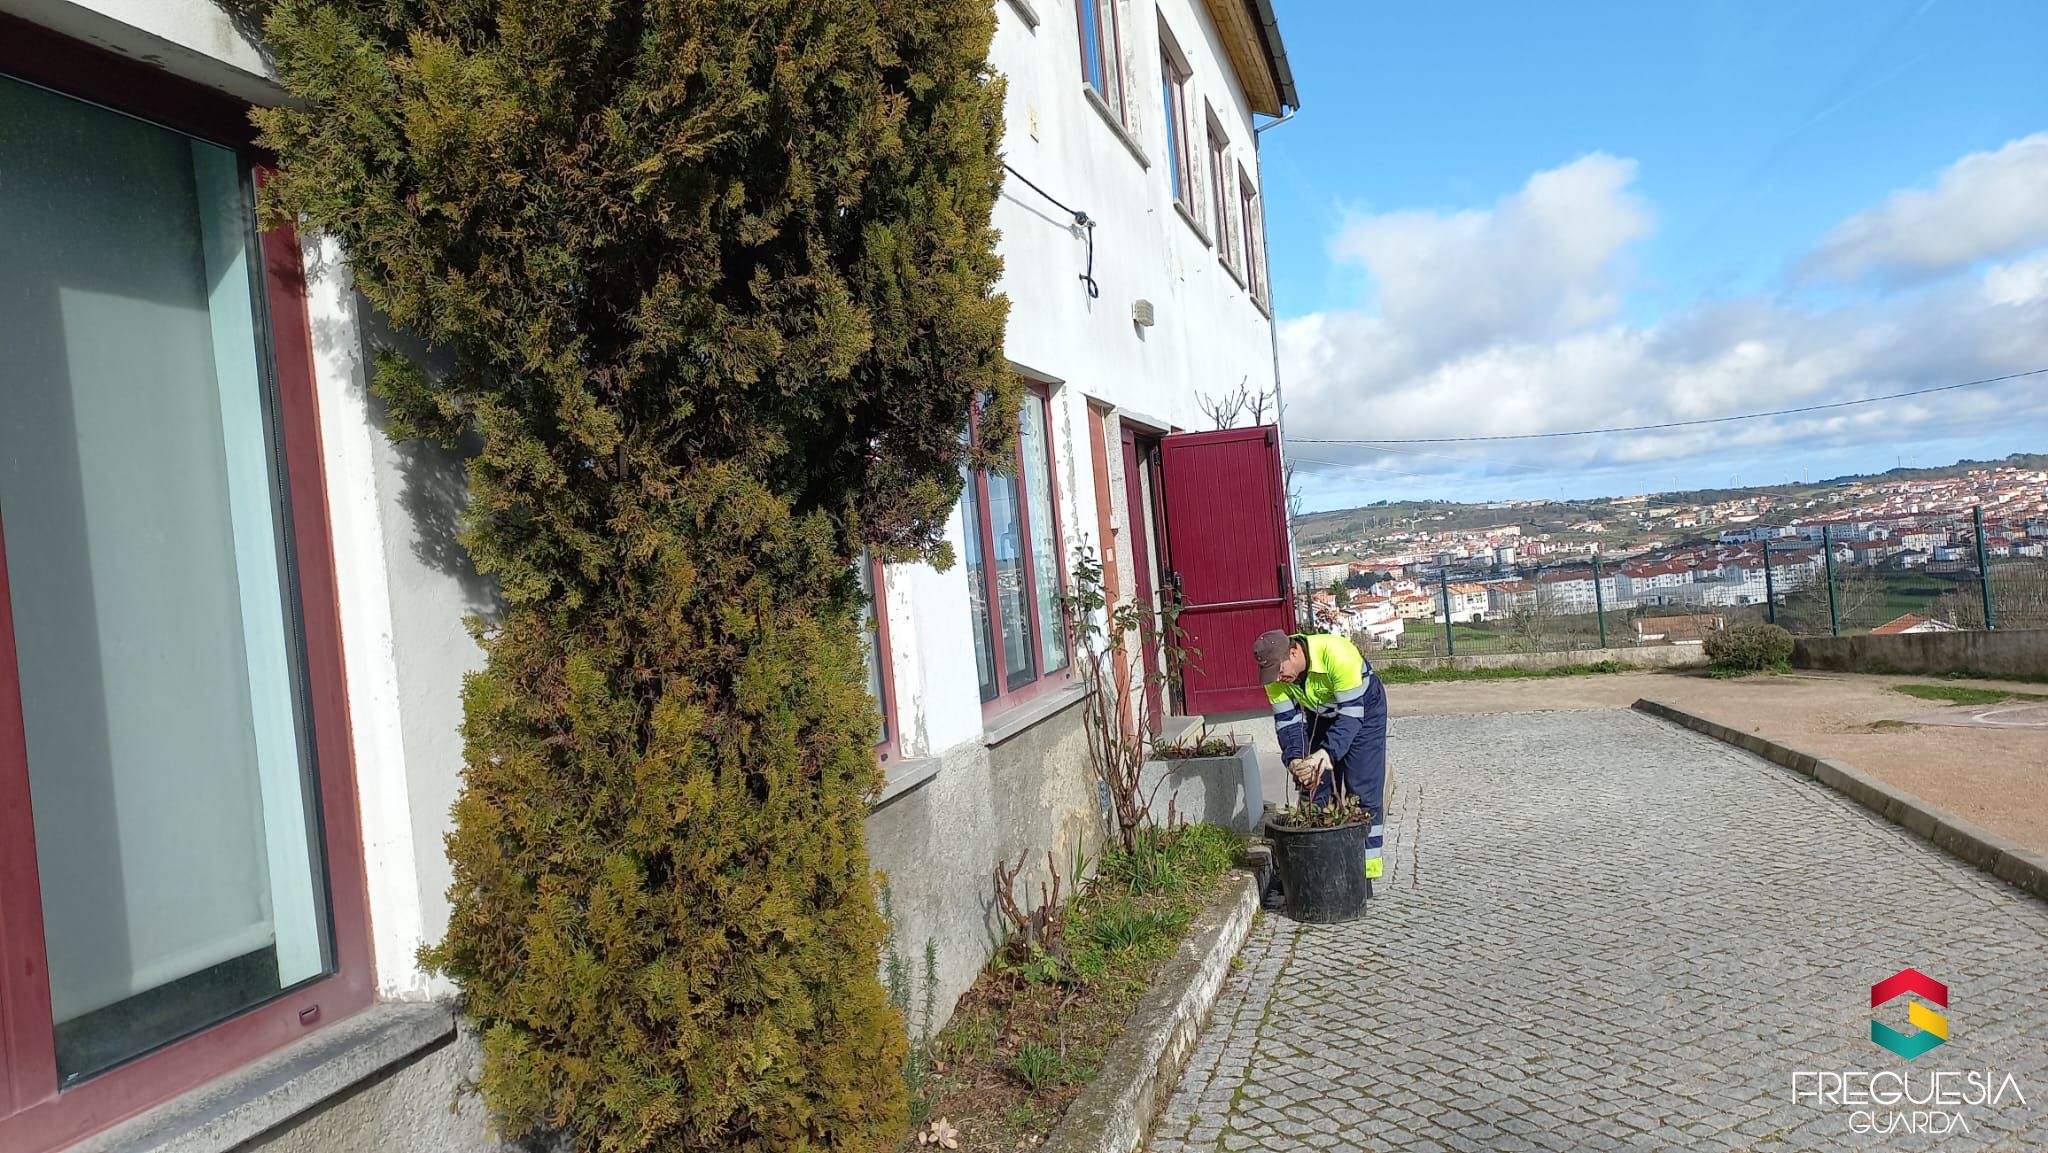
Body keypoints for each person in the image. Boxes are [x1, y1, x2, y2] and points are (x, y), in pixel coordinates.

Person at [1252, 628, 1388, 908]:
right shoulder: (1275, 677)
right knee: (1313, 787)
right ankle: (1311, 864)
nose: (1278, 678)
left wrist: (1326, 754)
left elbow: (1351, 718)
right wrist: (1295, 759)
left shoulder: (1338, 654)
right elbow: (1288, 724)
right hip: (1321, 714)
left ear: (1294, 652)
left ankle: (1364, 872)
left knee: (1362, 788)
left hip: (1363, 711)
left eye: (1280, 671)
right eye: (1272, 675)